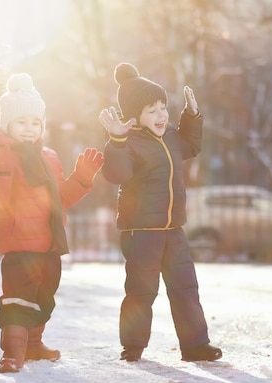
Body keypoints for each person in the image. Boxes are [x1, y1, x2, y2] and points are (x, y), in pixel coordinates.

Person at [0, 73, 104, 373]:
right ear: (7, 124)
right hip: (20, 243)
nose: (29, 128)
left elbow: (61, 198)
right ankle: (12, 353)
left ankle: (34, 345)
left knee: (44, 296)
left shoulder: (49, 156)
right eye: (21, 122)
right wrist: (0, 166)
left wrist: (82, 179)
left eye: (35, 122)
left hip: (49, 244)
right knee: (18, 299)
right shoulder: (1, 155)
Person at [98, 62, 222, 362]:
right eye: (151, 110)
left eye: (163, 107)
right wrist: (116, 140)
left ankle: (195, 346)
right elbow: (116, 174)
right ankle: (133, 345)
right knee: (142, 291)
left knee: (185, 288)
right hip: (141, 232)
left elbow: (191, 145)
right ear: (135, 117)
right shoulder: (129, 143)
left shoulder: (170, 137)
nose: (161, 115)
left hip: (173, 230)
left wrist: (191, 116)